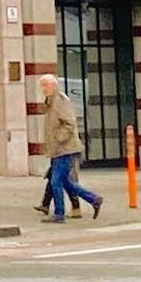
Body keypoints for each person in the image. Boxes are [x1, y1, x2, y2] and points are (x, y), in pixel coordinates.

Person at [37, 73, 101, 222]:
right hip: (59, 149)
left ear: (53, 85)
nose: (42, 89)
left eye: (45, 86)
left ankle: (59, 214)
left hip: (65, 148)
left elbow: (69, 123)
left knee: (56, 181)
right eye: (42, 86)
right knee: (66, 181)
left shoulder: (60, 101)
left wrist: (59, 139)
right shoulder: (51, 102)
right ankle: (93, 199)